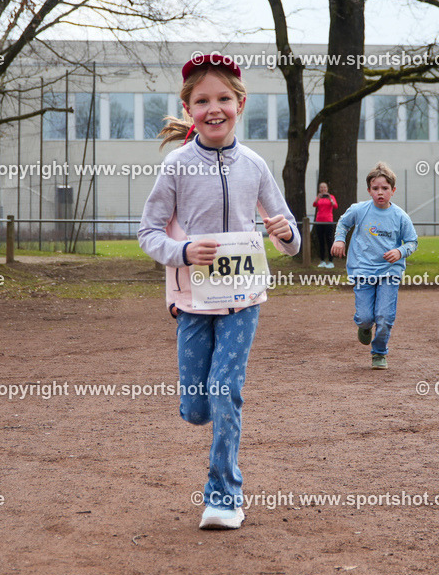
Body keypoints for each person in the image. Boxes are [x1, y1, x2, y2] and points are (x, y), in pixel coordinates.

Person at [138, 53, 300, 531]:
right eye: (203, 100)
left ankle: (223, 498)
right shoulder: (176, 166)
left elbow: (290, 235)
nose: (215, 108)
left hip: (243, 298)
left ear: (240, 103)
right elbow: (148, 234)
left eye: (224, 98)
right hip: (192, 298)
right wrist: (184, 251)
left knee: (226, 390)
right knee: (196, 407)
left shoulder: (254, 164)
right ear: (188, 108)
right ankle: (203, 412)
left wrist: (283, 233)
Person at [330, 162, 418, 370]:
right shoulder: (359, 210)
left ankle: (379, 352)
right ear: (369, 190)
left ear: (393, 191)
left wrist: (400, 252)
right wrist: (339, 239)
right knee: (366, 317)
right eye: (376, 188)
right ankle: (364, 326)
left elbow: (412, 242)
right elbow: (343, 223)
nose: (380, 192)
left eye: (385, 188)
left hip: (390, 272)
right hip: (363, 269)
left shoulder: (400, 217)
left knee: (385, 317)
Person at [313, 182, 338, 268]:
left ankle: (331, 261)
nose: (323, 189)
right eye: (321, 188)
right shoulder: (319, 197)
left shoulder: (331, 197)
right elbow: (314, 205)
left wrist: (330, 199)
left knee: (329, 241)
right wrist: (318, 198)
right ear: (319, 189)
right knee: (321, 242)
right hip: (319, 221)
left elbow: (335, 206)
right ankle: (322, 260)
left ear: (327, 189)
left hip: (328, 221)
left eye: (324, 188)